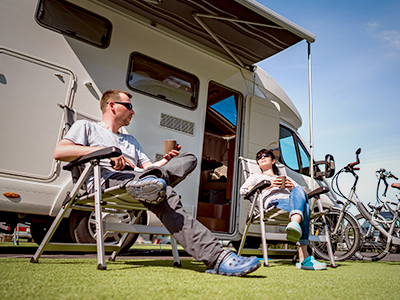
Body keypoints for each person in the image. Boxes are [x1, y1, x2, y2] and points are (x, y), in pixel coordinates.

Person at [53, 89, 261, 276]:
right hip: (109, 180)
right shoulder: (87, 127)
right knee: (164, 193)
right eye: (129, 106)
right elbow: (60, 152)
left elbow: (146, 167)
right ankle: (217, 257)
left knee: (188, 158)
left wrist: (166, 160)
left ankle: (150, 186)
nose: (133, 112)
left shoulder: (130, 140)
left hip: (138, 178)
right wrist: (105, 153)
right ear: (112, 106)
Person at [239, 148, 327, 270]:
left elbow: (303, 193)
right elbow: (243, 190)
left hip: (290, 203)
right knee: (305, 208)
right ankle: (304, 256)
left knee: (299, 191)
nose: (262, 158)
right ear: (258, 163)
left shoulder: (284, 177)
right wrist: (268, 185)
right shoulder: (256, 177)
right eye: (259, 157)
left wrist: (291, 187)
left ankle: (294, 223)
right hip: (273, 204)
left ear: (273, 160)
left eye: (265, 155)